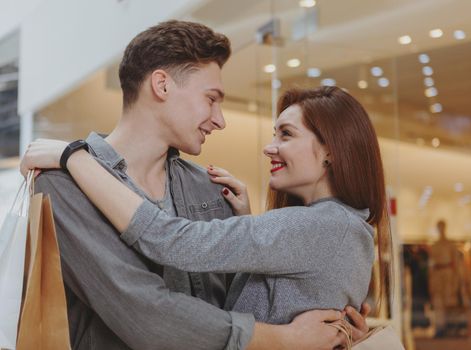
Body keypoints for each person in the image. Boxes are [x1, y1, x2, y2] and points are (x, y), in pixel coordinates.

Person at [18, 20, 369, 349]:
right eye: (211, 99)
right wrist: (282, 338)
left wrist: (332, 315)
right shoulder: (62, 185)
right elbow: (144, 315)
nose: (220, 120)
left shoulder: (211, 189)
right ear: (162, 85)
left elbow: (239, 300)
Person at [428, 220, 457, 337]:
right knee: (438, 303)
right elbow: (431, 265)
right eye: (439, 227)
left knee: (449, 302)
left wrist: (457, 280)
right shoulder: (434, 246)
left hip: (448, 275)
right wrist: (431, 280)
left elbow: (456, 264)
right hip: (437, 276)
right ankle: (440, 327)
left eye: (442, 227)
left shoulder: (451, 245)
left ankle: (450, 327)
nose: (441, 229)